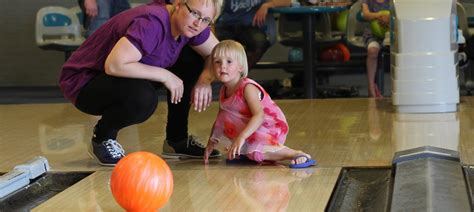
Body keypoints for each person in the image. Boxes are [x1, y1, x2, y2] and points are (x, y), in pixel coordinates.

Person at [59, 0, 223, 166]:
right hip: (84, 83)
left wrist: (204, 80)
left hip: (122, 76)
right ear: (179, 4)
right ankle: (102, 138)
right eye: (194, 13)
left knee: (192, 60)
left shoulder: (192, 26)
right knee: (143, 99)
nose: (198, 23)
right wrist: (165, 75)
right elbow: (114, 65)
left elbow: (221, 55)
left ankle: (177, 140)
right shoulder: (152, 22)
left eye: (206, 20)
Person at [204, 40, 316, 168]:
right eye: (217, 62)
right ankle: (247, 151)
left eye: (229, 61)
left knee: (255, 152)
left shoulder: (247, 88)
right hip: (250, 126)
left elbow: (259, 116)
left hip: (267, 126)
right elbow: (221, 118)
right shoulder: (223, 90)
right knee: (230, 142)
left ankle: (295, 153)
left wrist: (241, 137)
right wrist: (211, 142)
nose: (222, 66)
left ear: (241, 67)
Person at [214, 0, 291, 68]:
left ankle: (239, 75)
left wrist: (267, 5)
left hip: (248, 27)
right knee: (210, 44)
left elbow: (287, 1)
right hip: (225, 26)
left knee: (260, 42)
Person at [361, 0, 389, 98]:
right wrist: (379, 16)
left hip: (391, 35)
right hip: (373, 35)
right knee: (372, 51)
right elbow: (365, 14)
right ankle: (371, 87)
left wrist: (389, 18)